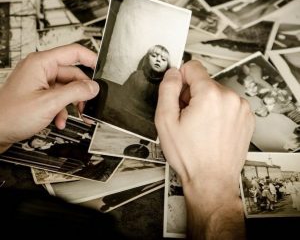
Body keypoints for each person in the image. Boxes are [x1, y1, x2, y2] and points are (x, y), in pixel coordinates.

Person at [0, 43, 255, 239]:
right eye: (154, 55)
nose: (158, 59)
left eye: (163, 56)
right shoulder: (136, 77)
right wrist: (215, 188)